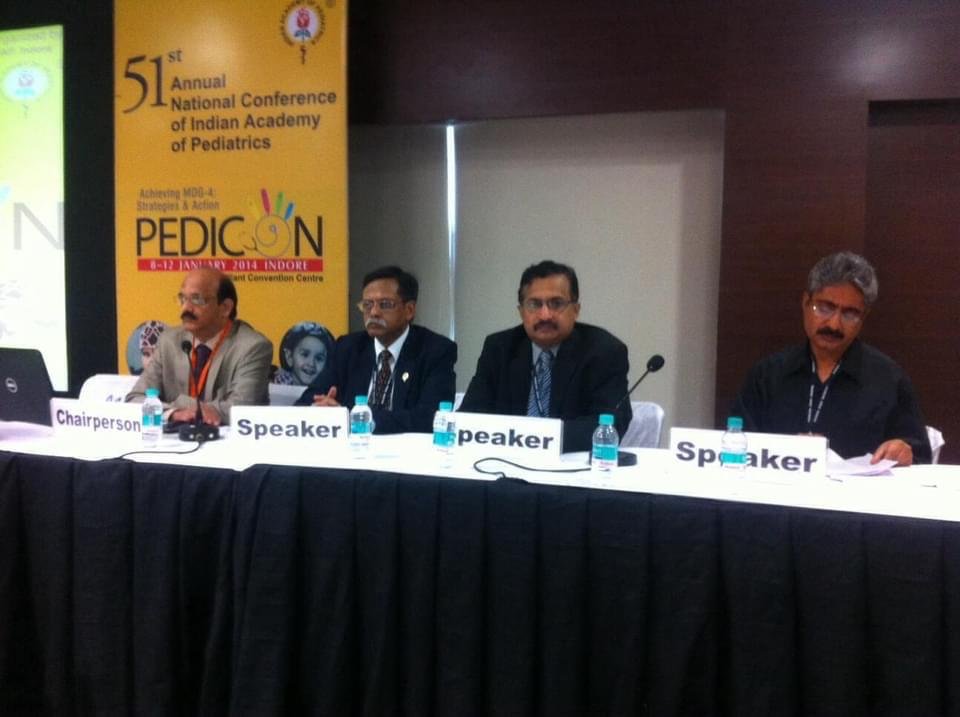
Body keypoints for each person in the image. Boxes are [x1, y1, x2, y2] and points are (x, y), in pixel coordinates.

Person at [731, 251, 931, 465]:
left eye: (850, 313)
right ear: (805, 302)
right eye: (825, 308)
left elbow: (920, 458)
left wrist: (904, 452)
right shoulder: (766, 376)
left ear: (864, 317)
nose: (834, 325)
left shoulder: (889, 381)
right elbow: (734, 445)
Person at [459, 259, 632, 452]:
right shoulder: (499, 348)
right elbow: (468, 417)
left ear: (576, 310)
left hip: (569, 463)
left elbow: (609, 425)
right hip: (504, 461)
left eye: (556, 304)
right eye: (534, 304)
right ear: (521, 312)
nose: (545, 315)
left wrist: (534, 439)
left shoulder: (604, 352)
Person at [296, 265, 457, 433]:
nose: (373, 312)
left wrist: (352, 419)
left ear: (409, 310)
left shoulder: (436, 351)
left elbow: (431, 418)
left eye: (385, 304)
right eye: (367, 305)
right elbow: (306, 401)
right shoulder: (348, 348)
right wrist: (321, 409)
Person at [126, 267, 273, 425]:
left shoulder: (253, 347)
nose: (186, 308)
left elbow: (241, 409)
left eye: (197, 300)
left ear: (225, 308)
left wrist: (182, 404)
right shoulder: (169, 341)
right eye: (183, 299)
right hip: (173, 439)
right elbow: (135, 399)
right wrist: (173, 413)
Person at [273, 321, 335, 386]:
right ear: (289, 357)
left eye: (319, 358)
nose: (311, 364)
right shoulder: (278, 385)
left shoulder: (329, 387)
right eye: (305, 355)